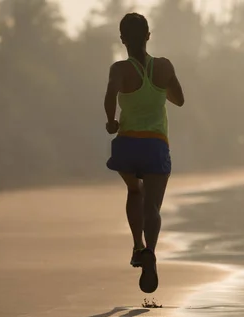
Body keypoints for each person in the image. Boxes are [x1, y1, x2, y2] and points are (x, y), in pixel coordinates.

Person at [104, 13, 185, 294]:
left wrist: (111, 121)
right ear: (148, 36)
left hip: (127, 144)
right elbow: (180, 100)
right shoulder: (163, 67)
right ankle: (150, 250)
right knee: (152, 206)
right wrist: (159, 91)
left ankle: (137, 246)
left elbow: (110, 96)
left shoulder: (119, 69)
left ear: (123, 39)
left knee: (134, 192)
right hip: (156, 145)